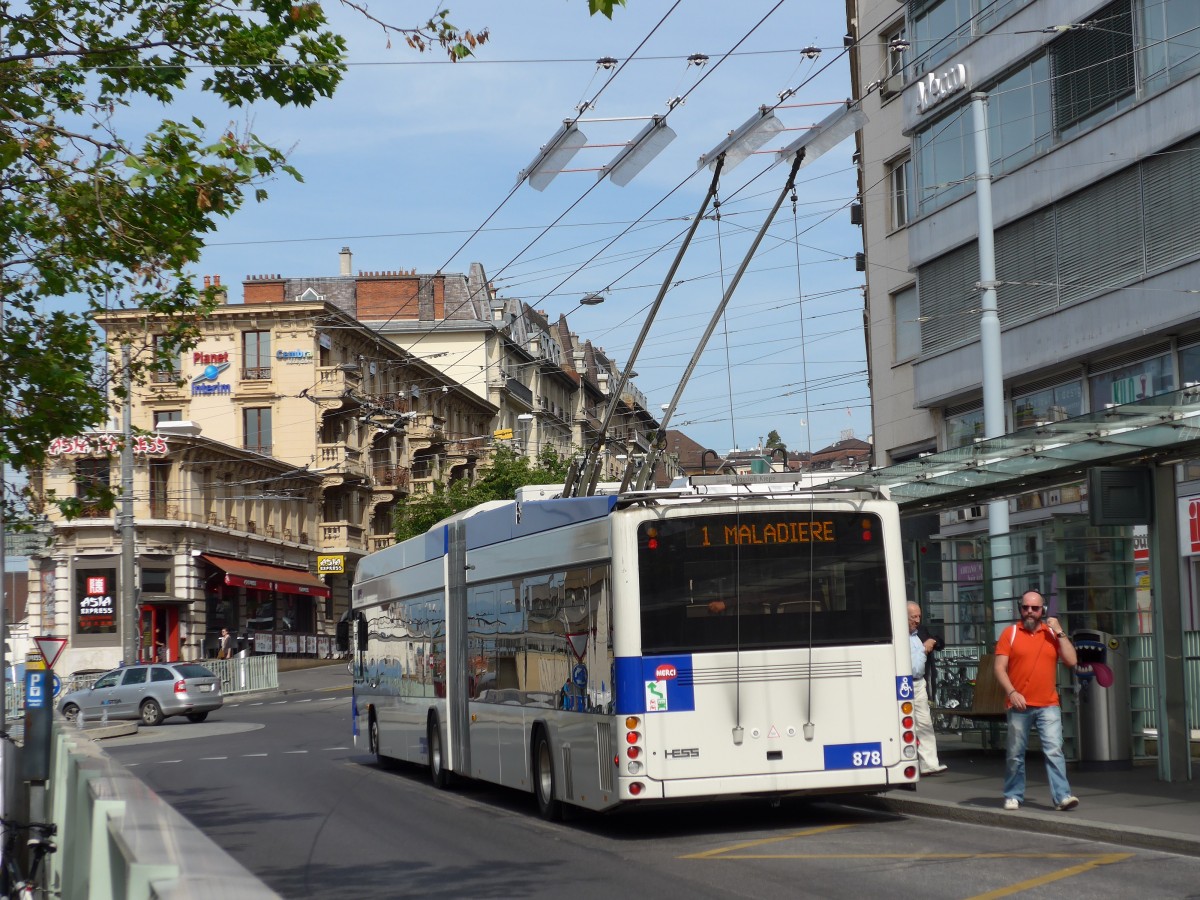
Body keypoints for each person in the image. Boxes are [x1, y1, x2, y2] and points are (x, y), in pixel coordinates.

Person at [994, 590, 1079, 812]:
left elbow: (1071, 660)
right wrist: (1012, 692)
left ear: (1043, 610)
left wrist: (1059, 631)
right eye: (1025, 607)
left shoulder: (1052, 633)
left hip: (1048, 703)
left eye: (1035, 608)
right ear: (1020, 608)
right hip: (1018, 704)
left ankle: (1062, 796)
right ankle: (1013, 794)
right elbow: (999, 668)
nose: (1030, 612)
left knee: (1054, 751)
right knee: (1015, 753)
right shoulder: (1010, 633)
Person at [907, 602, 946, 776]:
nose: (917, 620)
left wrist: (932, 640)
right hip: (901, 683)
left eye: (919, 616)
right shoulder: (896, 634)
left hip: (918, 682)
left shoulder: (920, 632)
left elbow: (940, 641)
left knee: (924, 722)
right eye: (913, 617)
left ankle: (929, 764)